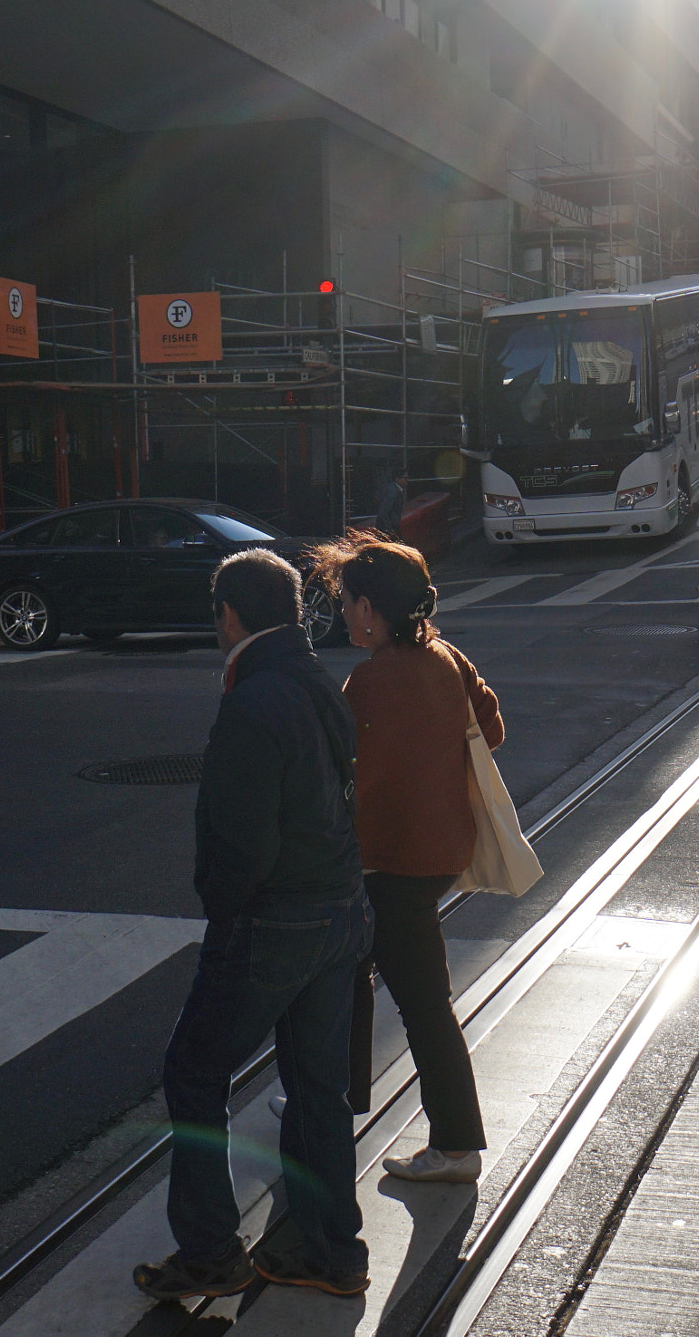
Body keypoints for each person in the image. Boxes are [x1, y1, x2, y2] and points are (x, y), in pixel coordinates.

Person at [135, 549, 374, 1303]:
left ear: (229, 615)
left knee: (195, 1071)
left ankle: (209, 1252)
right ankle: (334, 1251)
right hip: (341, 907)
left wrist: (223, 908)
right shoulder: (316, 680)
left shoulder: (251, 700)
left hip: (276, 918)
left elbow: (244, 843)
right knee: (317, 1086)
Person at [306, 530, 502, 1185]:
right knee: (365, 975)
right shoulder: (445, 657)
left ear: (370, 609)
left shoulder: (368, 682)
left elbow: (342, 777)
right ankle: (341, 1097)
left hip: (392, 865)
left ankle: (454, 1142)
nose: (344, 614)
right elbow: (491, 727)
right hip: (439, 853)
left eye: (348, 601)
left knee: (417, 1001)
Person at [376, 471, 408, 537]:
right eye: (405, 478)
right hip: (387, 530)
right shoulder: (393, 492)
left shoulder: (393, 489)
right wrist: (390, 530)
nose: (407, 481)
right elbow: (383, 511)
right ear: (397, 479)